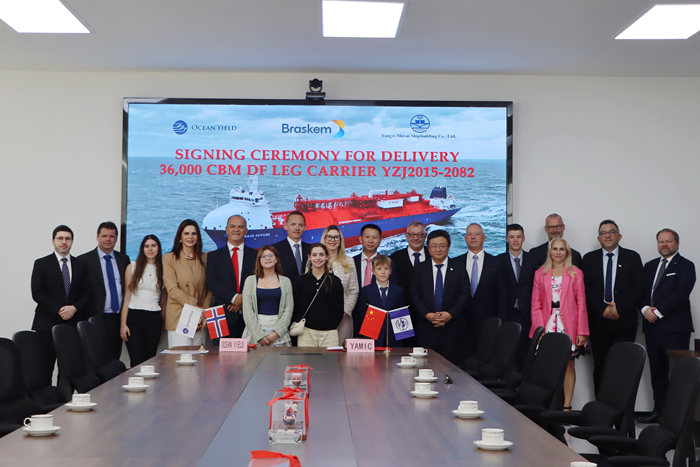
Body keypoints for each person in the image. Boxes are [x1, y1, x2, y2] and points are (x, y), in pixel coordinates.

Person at [638, 228, 696, 423]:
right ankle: (659, 412)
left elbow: (681, 294)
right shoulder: (650, 266)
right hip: (652, 329)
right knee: (657, 372)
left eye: (668, 241)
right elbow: (641, 292)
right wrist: (645, 309)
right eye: (661, 241)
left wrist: (657, 312)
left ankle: (676, 417)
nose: (664, 245)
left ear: (677, 244)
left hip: (675, 329)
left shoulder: (686, 266)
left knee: (677, 374)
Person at [581, 220, 644, 396]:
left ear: (619, 236)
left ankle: (622, 409)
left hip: (624, 321)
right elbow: (586, 288)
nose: (607, 236)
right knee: (601, 365)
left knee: (624, 366)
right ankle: (600, 407)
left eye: (612, 232)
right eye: (603, 233)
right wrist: (602, 309)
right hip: (598, 322)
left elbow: (638, 287)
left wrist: (619, 309)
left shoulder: (632, 257)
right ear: (598, 238)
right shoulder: (589, 258)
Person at [530, 238, 589, 410]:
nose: (558, 252)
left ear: (567, 252)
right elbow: (535, 304)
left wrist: (581, 331)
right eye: (554, 249)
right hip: (547, 324)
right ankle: (548, 405)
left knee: (569, 366)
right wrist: (539, 329)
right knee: (546, 366)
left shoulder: (576, 273)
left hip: (568, 325)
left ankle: (566, 407)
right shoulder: (540, 273)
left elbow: (581, 304)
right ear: (550, 251)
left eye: (561, 249)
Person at [30, 225, 91, 385]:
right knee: (44, 370)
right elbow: (37, 293)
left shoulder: (81, 265)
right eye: (60, 238)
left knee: (68, 371)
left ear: (72, 241)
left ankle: (65, 399)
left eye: (67, 239)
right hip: (46, 324)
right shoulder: (41, 263)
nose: (64, 242)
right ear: (53, 241)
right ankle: (46, 400)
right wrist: (59, 309)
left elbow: (88, 293)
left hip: (72, 323)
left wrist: (74, 308)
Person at [409, 230, 470, 365]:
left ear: (448, 247)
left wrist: (450, 314)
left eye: (442, 246)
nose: (438, 249)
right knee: (424, 366)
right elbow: (414, 294)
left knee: (450, 368)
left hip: (452, 327)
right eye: (434, 246)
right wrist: (426, 314)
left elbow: (464, 294)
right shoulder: (420, 269)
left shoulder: (459, 268)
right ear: (428, 248)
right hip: (426, 327)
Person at [78, 221, 131, 361]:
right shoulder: (83, 260)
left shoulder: (123, 259)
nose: (108, 239)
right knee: (94, 359)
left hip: (117, 319)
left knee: (114, 359)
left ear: (116, 239)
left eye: (112, 236)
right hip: (95, 318)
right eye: (104, 236)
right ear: (97, 237)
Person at [163, 219, 212, 347]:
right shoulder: (169, 258)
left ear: (198, 237)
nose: (190, 237)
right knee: (182, 357)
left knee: (199, 357)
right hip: (180, 316)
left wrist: (205, 312)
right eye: (186, 233)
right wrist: (196, 307)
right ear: (180, 237)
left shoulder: (205, 258)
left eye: (193, 233)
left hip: (201, 319)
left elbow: (209, 288)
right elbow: (172, 290)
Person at [119, 235, 167, 367]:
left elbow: (163, 303)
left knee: (150, 360)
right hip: (133, 319)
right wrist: (123, 325)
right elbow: (127, 298)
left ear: (158, 248)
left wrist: (162, 328)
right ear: (142, 249)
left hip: (154, 320)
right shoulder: (132, 267)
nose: (150, 249)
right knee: (136, 361)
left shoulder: (164, 271)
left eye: (153, 246)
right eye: (147, 246)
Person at [206, 215, 257, 338]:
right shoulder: (213, 256)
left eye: (240, 227)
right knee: (218, 350)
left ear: (246, 231)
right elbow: (212, 282)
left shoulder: (256, 255)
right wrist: (234, 298)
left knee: (250, 350)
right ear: (226, 229)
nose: (236, 229)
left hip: (250, 315)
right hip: (220, 315)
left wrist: (242, 300)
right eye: (232, 226)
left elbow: (259, 281)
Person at [496, 223, 538, 371]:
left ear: (523, 238)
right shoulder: (498, 261)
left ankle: (523, 384)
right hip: (506, 313)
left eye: (518, 237)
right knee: (506, 356)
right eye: (512, 237)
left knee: (525, 358)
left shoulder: (533, 260)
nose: (515, 240)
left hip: (527, 314)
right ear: (506, 239)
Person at [455, 223, 500, 355]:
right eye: (469, 234)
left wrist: (500, 320)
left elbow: (502, 295)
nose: (473, 237)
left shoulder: (496, 262)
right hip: (461, 323)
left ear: (483, 238)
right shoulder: (456, 263)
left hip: (488, 323)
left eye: (477, 234)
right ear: (465, 238)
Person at [292, 243, 345, 347]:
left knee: (330, 358)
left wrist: (332, 325)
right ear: (309, 257)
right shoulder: (301, 281)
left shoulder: (335, 281)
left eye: (321, 255)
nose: (318, 258)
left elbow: (339, 308)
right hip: (306, 332)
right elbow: (296, 306)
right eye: (314, 255)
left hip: (329, 333)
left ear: (327, 257)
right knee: (305, 358)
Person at [241, 246, 293, 347]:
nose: (267, 258)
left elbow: (288, 309)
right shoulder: (250, 281)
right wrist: (259, 336)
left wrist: (277, 333)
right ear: (259, 260)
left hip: (279, 333)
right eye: (263, 256)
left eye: (270, 255)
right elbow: (247, 310)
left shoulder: (286, 281)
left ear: (276, 259)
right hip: (255, 331)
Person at [355, 255, 407, 347]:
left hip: (393, 337)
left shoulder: (398, 291)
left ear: (390, 271)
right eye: (379, 269)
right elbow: (362, 315)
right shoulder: (366, 291)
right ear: (373, 271)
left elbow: (402, 316)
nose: (383, 272)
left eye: (386, 268)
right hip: (372, 336)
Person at [321, 225, 359, 343]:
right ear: (324, 238)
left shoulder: (349, 261)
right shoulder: (315, 261)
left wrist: (345, 312)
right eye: (329, 237)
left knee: (342, 351)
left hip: (344, 318)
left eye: (336, 237)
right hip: (320, 317)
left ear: (340, 240)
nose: (332, 240)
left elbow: (354, 290)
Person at [353, 223, 399, 287]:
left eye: (374, 237)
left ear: (380, 241)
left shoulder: (389, 263)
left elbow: (394, 288)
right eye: (367, 237)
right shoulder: (351, 262)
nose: (370, 241)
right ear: (360, 239)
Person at [273, 211, 310, 284]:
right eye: (293, 224)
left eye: (300, 225)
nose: (297, 228)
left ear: (305, 227)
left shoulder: (311, 249)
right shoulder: (275, 249)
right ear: (286, 226)